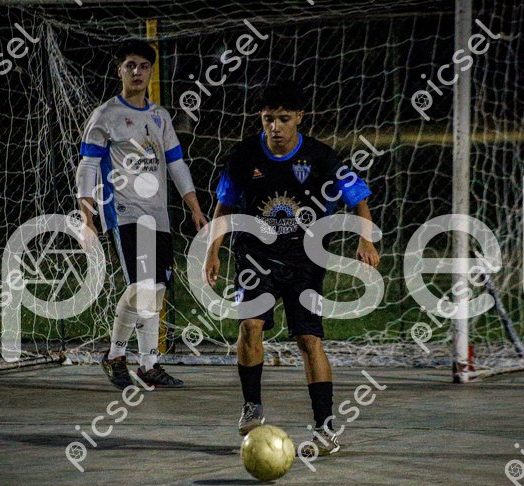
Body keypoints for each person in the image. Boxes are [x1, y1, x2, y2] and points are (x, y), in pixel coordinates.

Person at [204, 80, 380, 456]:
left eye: (284, 119)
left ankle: (325, 428)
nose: (275, 127)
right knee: (249, 326)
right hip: (255, 257)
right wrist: (212, 250)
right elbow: (224, 206)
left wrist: (366, 239)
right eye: (268, 119)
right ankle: (252, 406)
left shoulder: (321, 157)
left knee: (308, 340)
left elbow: (359, 197)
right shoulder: (243, 156)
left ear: (300, 117)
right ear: (260, 118)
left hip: (306, 261)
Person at [75, 39, 207, 389]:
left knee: (156, 288)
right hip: (124, 211)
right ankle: (115, 355)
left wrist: (195, 208)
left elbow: (176, 164)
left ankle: (149, 364)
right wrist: (87, 218)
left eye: (144, 66)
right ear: (119, 70)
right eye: (130, 65)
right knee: (140, 285)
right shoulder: (106, 115)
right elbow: (87, 167)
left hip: (157, 215)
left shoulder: (160, 116)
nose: (137, 72)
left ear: (151, 72)